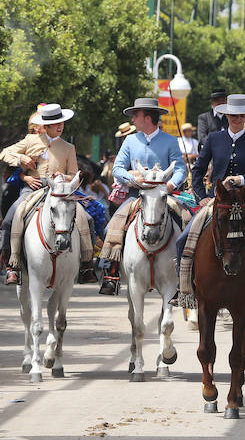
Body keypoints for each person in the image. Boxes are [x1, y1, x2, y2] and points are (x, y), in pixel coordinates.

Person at [173, 94, 245, 308]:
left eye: (240, 115)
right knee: (182, 239)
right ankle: (184, 288)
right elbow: (198, 171)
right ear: (227, 115)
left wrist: (241, 179)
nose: (236, 119)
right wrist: (202, 197)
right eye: (233, 115)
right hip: (217, 201)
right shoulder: (214, 139)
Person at [96, 98, 188, 295]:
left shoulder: (170, 141)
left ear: (147, 117)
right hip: (136, 194)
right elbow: (118, 167)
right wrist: (132, 177)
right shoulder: (130, 141)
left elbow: (180, 168)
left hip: (164, 195)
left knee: (189, 222)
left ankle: (187, 275)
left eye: (135, 116)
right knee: (112, 226)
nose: (133, 120)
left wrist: (170, 185)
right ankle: (111, 274)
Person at [0, 104, 90, 285]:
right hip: (32, 189)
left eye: (62, 122)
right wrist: (21, 159)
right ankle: (12, 265)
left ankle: (86, 265)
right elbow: (4, 153)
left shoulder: (68, 147)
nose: (60, 126)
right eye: (56, 123)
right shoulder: (30, 140)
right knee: (11, 217)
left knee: (86, 218)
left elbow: (74, 174)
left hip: (60, 192)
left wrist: (63, 176)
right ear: (46, 126)